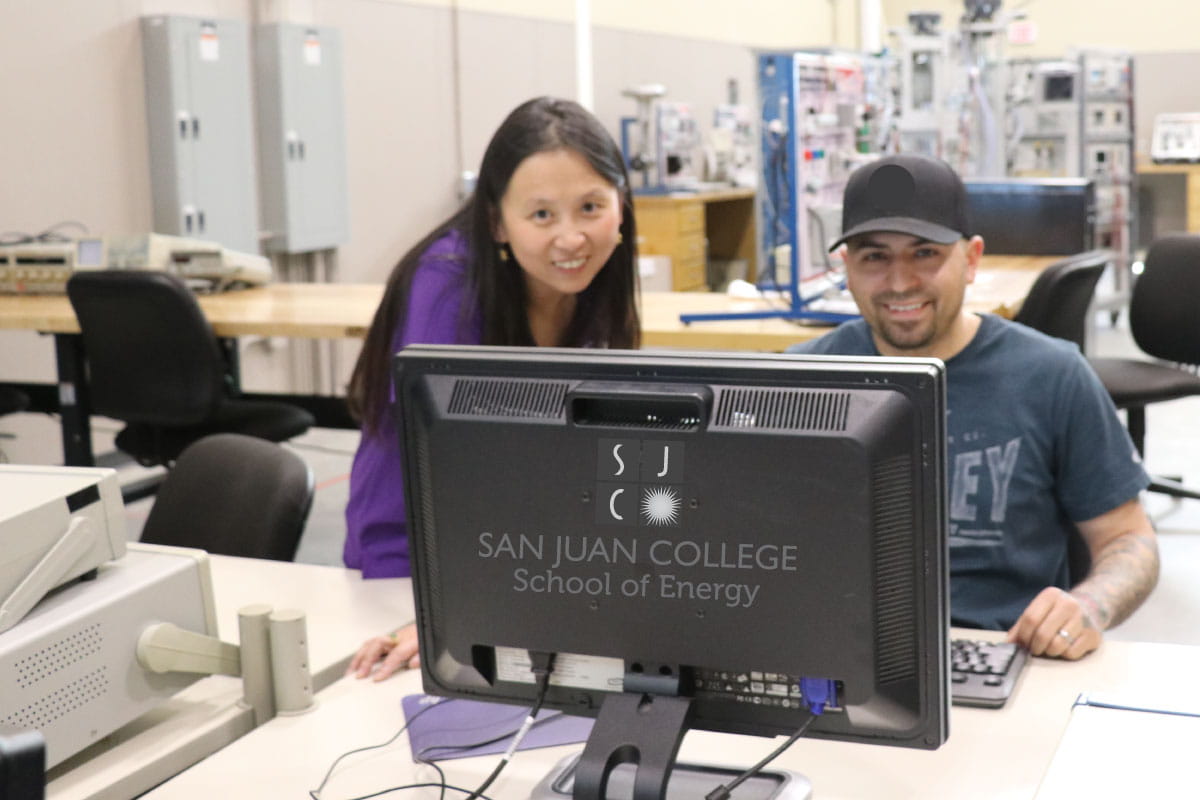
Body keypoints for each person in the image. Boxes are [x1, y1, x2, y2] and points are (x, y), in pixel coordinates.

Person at [787, 153, 1159, 660]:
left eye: (925, 254)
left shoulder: (1051, 375)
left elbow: (1129, 538)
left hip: (1006, 650)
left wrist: (1088, 606)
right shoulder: (801, 380)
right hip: (839, 658)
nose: (899, 282)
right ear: (845, 267)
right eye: (875, 257)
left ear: (972, 259)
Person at [342, 97, 641, 680]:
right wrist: (433, 614)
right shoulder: (448, 288)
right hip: (412, 561)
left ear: (621, 207)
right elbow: (444, 467)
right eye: (542, 215)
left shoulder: (594, 289)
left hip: (517, 561)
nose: (572, 238)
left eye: (590, 207)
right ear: (497, 223)